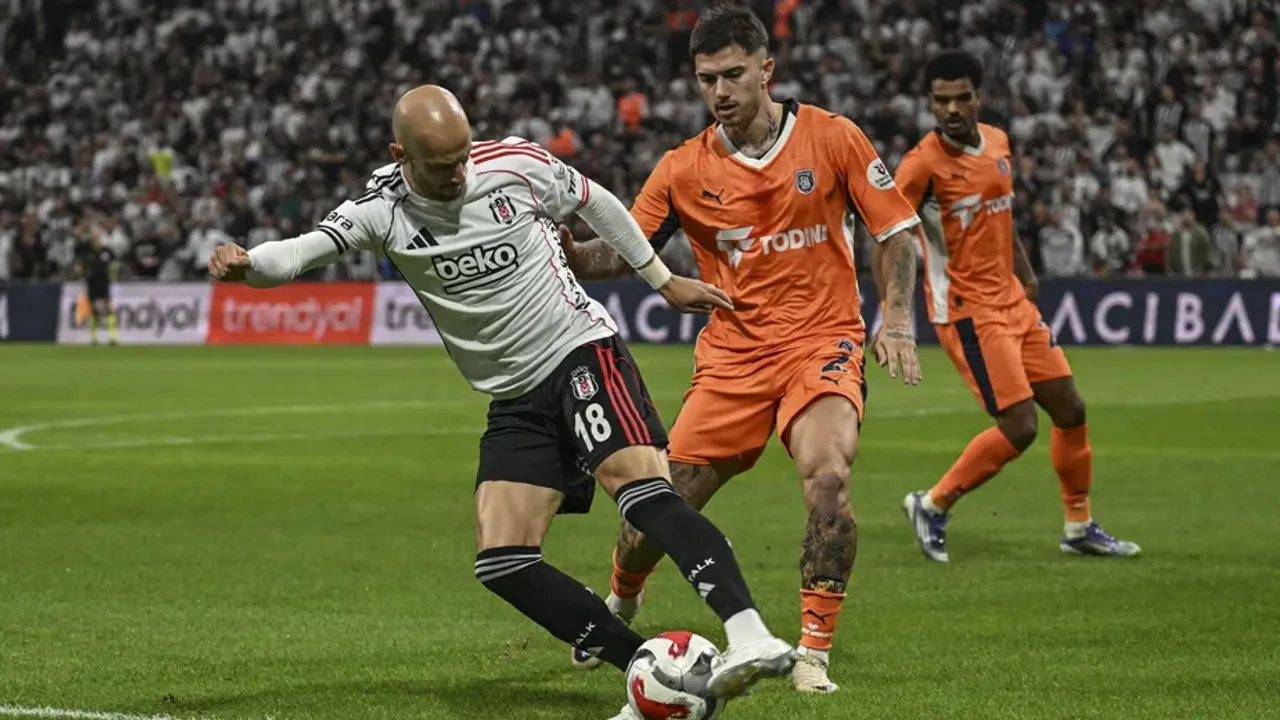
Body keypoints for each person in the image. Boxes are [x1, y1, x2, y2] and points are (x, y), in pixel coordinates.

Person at [207, 85, 797, 718]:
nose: (460, 172)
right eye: (443, 165)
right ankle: (646, 667)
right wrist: (248, 265)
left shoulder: (515, 165)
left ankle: (749, 635)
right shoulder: (383, 210)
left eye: (463, 155)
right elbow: (300, 251)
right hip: (514, 395)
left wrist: (662, 279)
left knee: (644, 495)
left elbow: (597, 202)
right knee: (503, 561)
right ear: (401, 156)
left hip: (579, 351)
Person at [559, 6, 923, 695]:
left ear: (766, 70)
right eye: (706, 80)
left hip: (822, 343)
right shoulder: (682, 168)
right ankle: (621, 600)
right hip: (731, 360)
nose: (720, 91)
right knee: (655, 508)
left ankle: (813, 651)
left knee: (828, 478)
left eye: (733, 75)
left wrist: (898, 319)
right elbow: (627, 250)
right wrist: (575, 253)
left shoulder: (833, 137)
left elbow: (897, 232)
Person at [884, 50, 1140, 562]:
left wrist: (1024, 272)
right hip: (967, 311)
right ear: (930, 103)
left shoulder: (998, 142)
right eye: (941, 100)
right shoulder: (920, 166)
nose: (952, 109)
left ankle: (1078, 527)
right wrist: (894, 315)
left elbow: (1001, 215)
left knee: (1071, 409)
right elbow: (887, 233)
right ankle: (932, 505)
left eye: (962, 98)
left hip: (1012, 300)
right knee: (1020, 427)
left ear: (979, 97)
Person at [75, 219, 120, 346]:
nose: (96, 237)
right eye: (94, 234)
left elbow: (115, 262)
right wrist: (80, 272)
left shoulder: (106, 251)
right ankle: (94, 337)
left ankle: (113, 336)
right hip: (92, 280)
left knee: (107, 306)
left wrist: (113, 272)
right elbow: (79, 263)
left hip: (104, 280)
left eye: (97, 234)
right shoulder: (86, 251)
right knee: (93, 307)